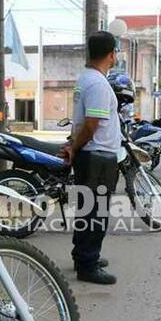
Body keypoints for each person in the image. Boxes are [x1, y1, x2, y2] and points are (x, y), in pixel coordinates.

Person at [60, 31, 120, 285]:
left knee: (87, 210)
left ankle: (83, 255)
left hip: (92, 155)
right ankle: (88, 264)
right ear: (111, 54)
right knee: (96, 212)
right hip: (98, 156)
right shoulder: (97, 84)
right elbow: (92, 124)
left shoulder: (87, 78)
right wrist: (74, 146)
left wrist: (75, 146)